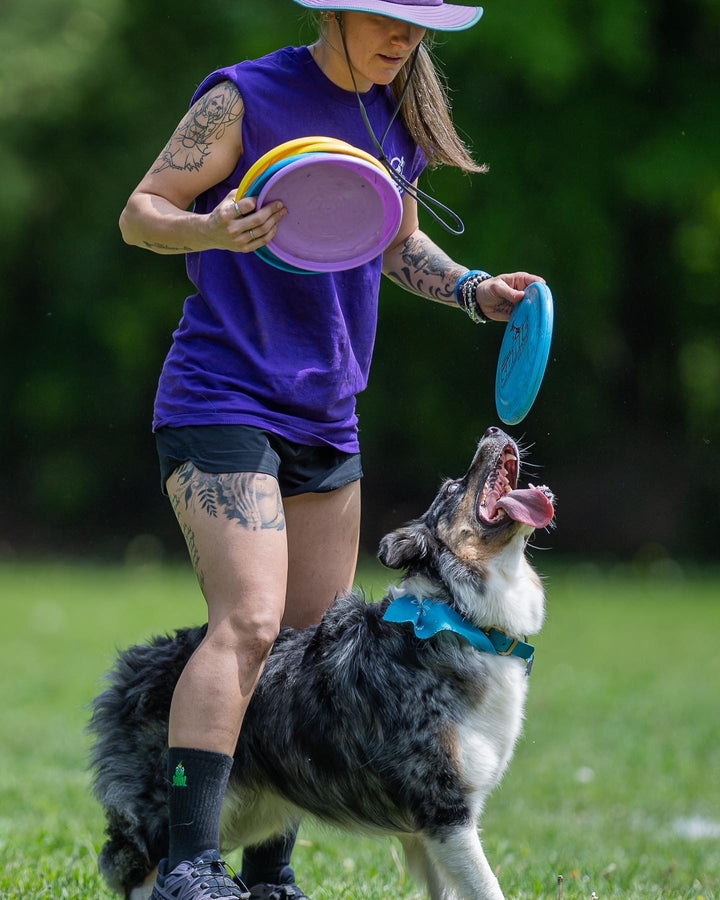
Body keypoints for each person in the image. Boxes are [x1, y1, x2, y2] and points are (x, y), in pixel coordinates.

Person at [118, 0, 545, 897]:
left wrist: (474, 291)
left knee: (313, 643)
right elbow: (141, 212)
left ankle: (269, 873)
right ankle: (190, 867)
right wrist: (207, 228)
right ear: (336, 12)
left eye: (419, 26)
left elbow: (391, 242)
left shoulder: (393, 115)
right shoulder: (243, 96)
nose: (405, 39)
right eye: (389, 19)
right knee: (250, 622)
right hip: (222, 394)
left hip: (327, 411)